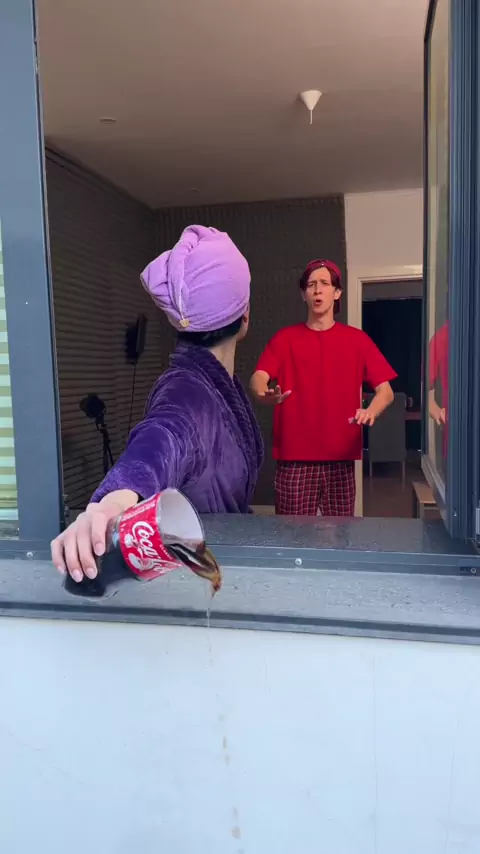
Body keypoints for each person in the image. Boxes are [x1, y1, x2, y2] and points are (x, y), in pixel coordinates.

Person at [51, 225, 264, 583]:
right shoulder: (186, 394)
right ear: (244, 315)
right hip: (193, 580)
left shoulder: (217, 385)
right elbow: (161, 438)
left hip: (216, 565)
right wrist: (113, 502)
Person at [250, 259, 396, 516]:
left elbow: (386, 392)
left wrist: (370, 411)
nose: (317, 290)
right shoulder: (284, 339)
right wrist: (263, 393)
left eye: (325, 284)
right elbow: (258, 376)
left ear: (337, 292)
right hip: (294, 459)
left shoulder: (357, 341)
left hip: (340, 457)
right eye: (311, 285)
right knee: (291, 533)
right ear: (303, 295)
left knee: (340, 533)